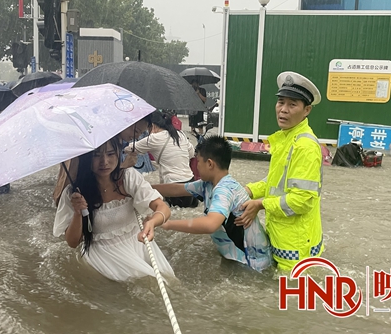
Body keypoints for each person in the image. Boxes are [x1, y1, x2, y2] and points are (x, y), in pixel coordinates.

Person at [235, 71, 324, 272]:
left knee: (289, 299)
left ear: (307, 110)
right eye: (280, 102)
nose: (283, 110)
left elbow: (301, 200)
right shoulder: (285, 139)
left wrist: (260, 204)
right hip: (282, 236)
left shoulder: (304, 146)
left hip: (296, 248)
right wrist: (248, 190)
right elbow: (275, 182)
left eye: (292, 105)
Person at [53, 137, 175, 282]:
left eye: (110, 154)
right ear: (86, 158)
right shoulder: (73, 193)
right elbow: (73, 242)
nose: (104, 161)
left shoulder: (128, 178)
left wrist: (152, 222)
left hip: (140, 246)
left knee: (167, 282)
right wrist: (78, 213)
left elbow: (163, 208)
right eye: (97, 155)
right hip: (104, 258)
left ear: (118, 153)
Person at [153, 136, 272, 272]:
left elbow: (210, 224)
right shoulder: (207, 184)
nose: (196, 166)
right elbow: (177, 189)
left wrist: (167, 224)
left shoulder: (224, 190)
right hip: (237, 258)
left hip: (253, 264)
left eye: (198, 162)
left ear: (210, 164)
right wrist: (143, 188)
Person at [53, 115, 152, 206]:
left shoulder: (120, 140)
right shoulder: (98, 139)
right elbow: (87, 172)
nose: (137, 136)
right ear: (125, 123)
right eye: (136, 131)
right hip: (82, 195)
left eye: (141, 133)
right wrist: (123, 166)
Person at [127, 111, 198, 208]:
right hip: (191, 185)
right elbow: (191, 153)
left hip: (173, 188)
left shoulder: (154, 139)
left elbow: (129, 148)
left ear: (152, 125)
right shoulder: (180, 134)